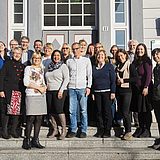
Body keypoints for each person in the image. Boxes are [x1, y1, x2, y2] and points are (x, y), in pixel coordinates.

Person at [66, 42, 92, 138]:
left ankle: (83, 130)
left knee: (83, 110)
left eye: (77, 49)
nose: (75, 51)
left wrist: (88, 86)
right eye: (73, 49)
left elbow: (89, 74)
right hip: (72, 88)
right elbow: (67, 75)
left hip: (82, 88)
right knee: (72, 110)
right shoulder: (69, 61)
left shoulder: (86, 60)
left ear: (80, 49)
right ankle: (73, 129)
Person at [22, 53, 47, 150]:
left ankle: (35, 140)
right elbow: (26, 82)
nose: (36, 59)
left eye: (38, 58)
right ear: (32, 59)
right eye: (35, 58)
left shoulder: (41, 69)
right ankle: (27, 140)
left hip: (40, 95)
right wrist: (38, 88)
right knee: (31, 118)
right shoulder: (28, 68)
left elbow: (43, 81)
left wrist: (44, 87)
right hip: (31, 95)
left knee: (39, 118)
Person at [0, 47, 25, 139]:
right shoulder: (7, 64)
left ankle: (13, 130)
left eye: (19, 53)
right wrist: (1, 90)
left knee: (16, 113)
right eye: (15, 53)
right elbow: (1, 77)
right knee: (6, 112)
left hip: (18, 92)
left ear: (21, 55)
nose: (17, 55)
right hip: (8, 91)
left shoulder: (23, 66)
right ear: (12, 54)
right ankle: (4, 131)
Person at [45, 50, 69, 140]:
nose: (56, 57)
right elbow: (46, 77)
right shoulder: (49, 66)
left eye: (58, 55)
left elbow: (66, 79)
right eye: (54, 55)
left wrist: (61, 90)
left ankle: (63, 130)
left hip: (59, 91)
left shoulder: (63, 66)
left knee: (59, 110)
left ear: (61, 56)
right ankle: (55, 129)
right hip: (49, 91)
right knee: (50, 111)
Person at [92, 49, 116, 138]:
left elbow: (113, 80)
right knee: (99, 111)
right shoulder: (94, 66)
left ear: (105, 56)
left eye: (102, 55)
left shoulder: (109, 66)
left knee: (107, 111)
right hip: (97, 92)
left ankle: (107, 130)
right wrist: (93, 92)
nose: (100, 56)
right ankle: (100, 129)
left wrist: (113, 91)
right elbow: (93, 80)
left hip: (107, 92)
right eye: (98, 55)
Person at [131, 43, 153, 138]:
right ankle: (141, 127)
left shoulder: (146, 61)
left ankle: (147, 129)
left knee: (146, 110)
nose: (139, 51)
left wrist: (146, 87)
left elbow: (148, 75)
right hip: (137, 89)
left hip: (145, 89)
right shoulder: (135, 62)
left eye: (141, 49)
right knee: (139, 110)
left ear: (144, 51)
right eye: (138, 49)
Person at [115, 49, 137, 140]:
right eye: (119, 56)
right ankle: (125, 130)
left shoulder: (130, 65)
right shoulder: (118, 66)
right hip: (119, 91)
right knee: (121, 111)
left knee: (125, 112)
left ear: (125, 55)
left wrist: (124, 80)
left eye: (122, 55)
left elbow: (135, 78)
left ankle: (128, 132)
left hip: (127, 91)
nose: (120, 57)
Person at [148, 48, 160, 150]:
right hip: (156, 97)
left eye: (157, 54)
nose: (155, 56)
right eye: (154, 55)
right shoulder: (156, 68)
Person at [127, 39, 139, 127]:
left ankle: (137, 120)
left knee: (136, 101)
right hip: (127, 81)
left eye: (134, 46)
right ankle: (129, 120)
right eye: (130, 45)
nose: (132, 47)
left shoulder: (139, 55)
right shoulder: (126, 55)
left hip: (137, 82)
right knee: (129, 101)